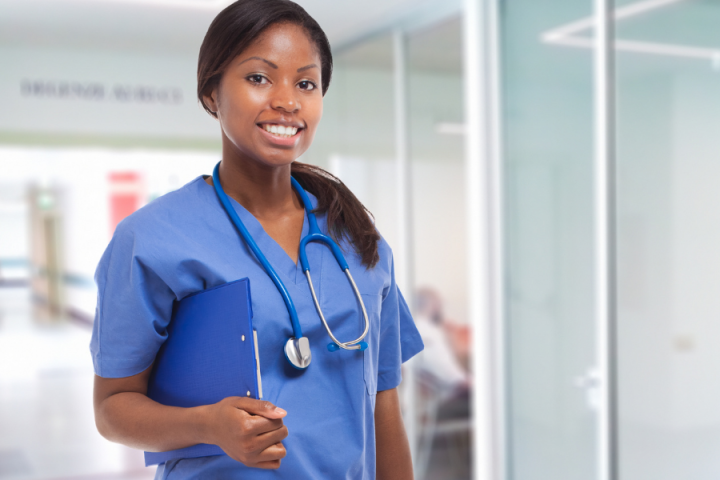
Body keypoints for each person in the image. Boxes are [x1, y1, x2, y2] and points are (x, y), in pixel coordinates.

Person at [90, 1, 424, 479]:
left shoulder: (357, 240)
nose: (287, 100)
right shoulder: (151, 239)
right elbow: (112, 408)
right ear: (211, 94)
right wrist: (206, 424)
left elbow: (384, 401)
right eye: (259, 78)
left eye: (305, 83)